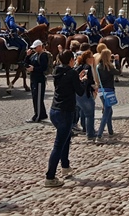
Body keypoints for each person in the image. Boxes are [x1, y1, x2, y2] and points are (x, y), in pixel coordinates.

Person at [44, 50, 87, 187]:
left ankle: (65, 166)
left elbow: (67, 85)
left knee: (66, 138)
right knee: (58, 144)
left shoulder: (57, 71)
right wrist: (83, 81)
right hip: (65, 112)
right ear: (70, 60)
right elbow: (79, 91)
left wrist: (77, 80)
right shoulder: (72, 73)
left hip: (54, 110)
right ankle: (50, 177)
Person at [74, 50, 97, 141]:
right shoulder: (87, 67)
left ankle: (85, 128)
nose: (93, 58)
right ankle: (90, 133)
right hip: (85, 92)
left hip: (78, 93)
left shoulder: (79, 66)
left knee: (82, 112)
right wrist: (93, 86)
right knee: (89, 114)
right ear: (88, 59)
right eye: (92, 57)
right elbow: (88, 80)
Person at [25, 39, 51, 123]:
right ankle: (42, 114)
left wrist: (34, 69)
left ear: (40, 47)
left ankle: (37, 116)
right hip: (34, 78)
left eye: (35, 48)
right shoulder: (35, 55)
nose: (34, 49)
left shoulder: (43, 55)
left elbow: (43, 68)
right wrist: (27, 56)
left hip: (39, 79)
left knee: (38, 98)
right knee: (35, 97)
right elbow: (26, 63)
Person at [95, 47, 117, 142]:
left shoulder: (98, 66)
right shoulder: (110, 67)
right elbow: (119, 72)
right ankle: (99, 135)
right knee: (106, 112)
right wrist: (117, 61)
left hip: (101, 90)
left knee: (109, 111)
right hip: (109, 91)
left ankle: (111, 131)